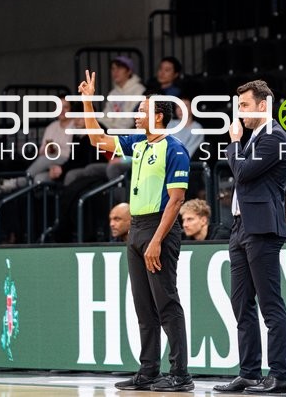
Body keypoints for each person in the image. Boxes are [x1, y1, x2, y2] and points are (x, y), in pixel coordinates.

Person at [77, 70, 193, 392]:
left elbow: (176, 200)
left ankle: (180, 374)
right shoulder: (139, 144)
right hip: (137, 229)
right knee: (144, 306)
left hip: (159, 229)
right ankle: (148, 371)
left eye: (142, 110)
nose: (137, 115)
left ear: (158, 116)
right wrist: (88, 103)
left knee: (166, 304)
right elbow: (98, 139)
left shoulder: (174, 149)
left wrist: (156, 240)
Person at [214, 80, 286, 394]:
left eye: (244, 105)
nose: (240, 113)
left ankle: (279, 376)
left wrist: (233, 143)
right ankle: (248, 372)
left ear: (263, 105)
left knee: (270, 304)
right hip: (240, 227)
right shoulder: (256, 138)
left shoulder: (275, 138)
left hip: (261, 227)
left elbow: (244, 173)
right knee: (241, 303)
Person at [0, 96, 80, 192]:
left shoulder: (76, 124)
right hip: (48, 162)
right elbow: (42, 150)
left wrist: (56, 150)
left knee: (47, 158)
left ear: (71, 109)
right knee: (38, 179)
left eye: (65, 107)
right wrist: (47, 149)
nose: (62, 110)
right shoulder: (51, 127)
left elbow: (73, 151)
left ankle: (15, 183)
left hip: (65, 160)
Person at [98, 55, 146, 131]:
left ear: (129, 71)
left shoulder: (139, 90)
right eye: (113, 69)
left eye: (119, 68)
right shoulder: (113, 93)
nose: (115, 72)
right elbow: (106, 115)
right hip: (109, 131)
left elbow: (130, 119)